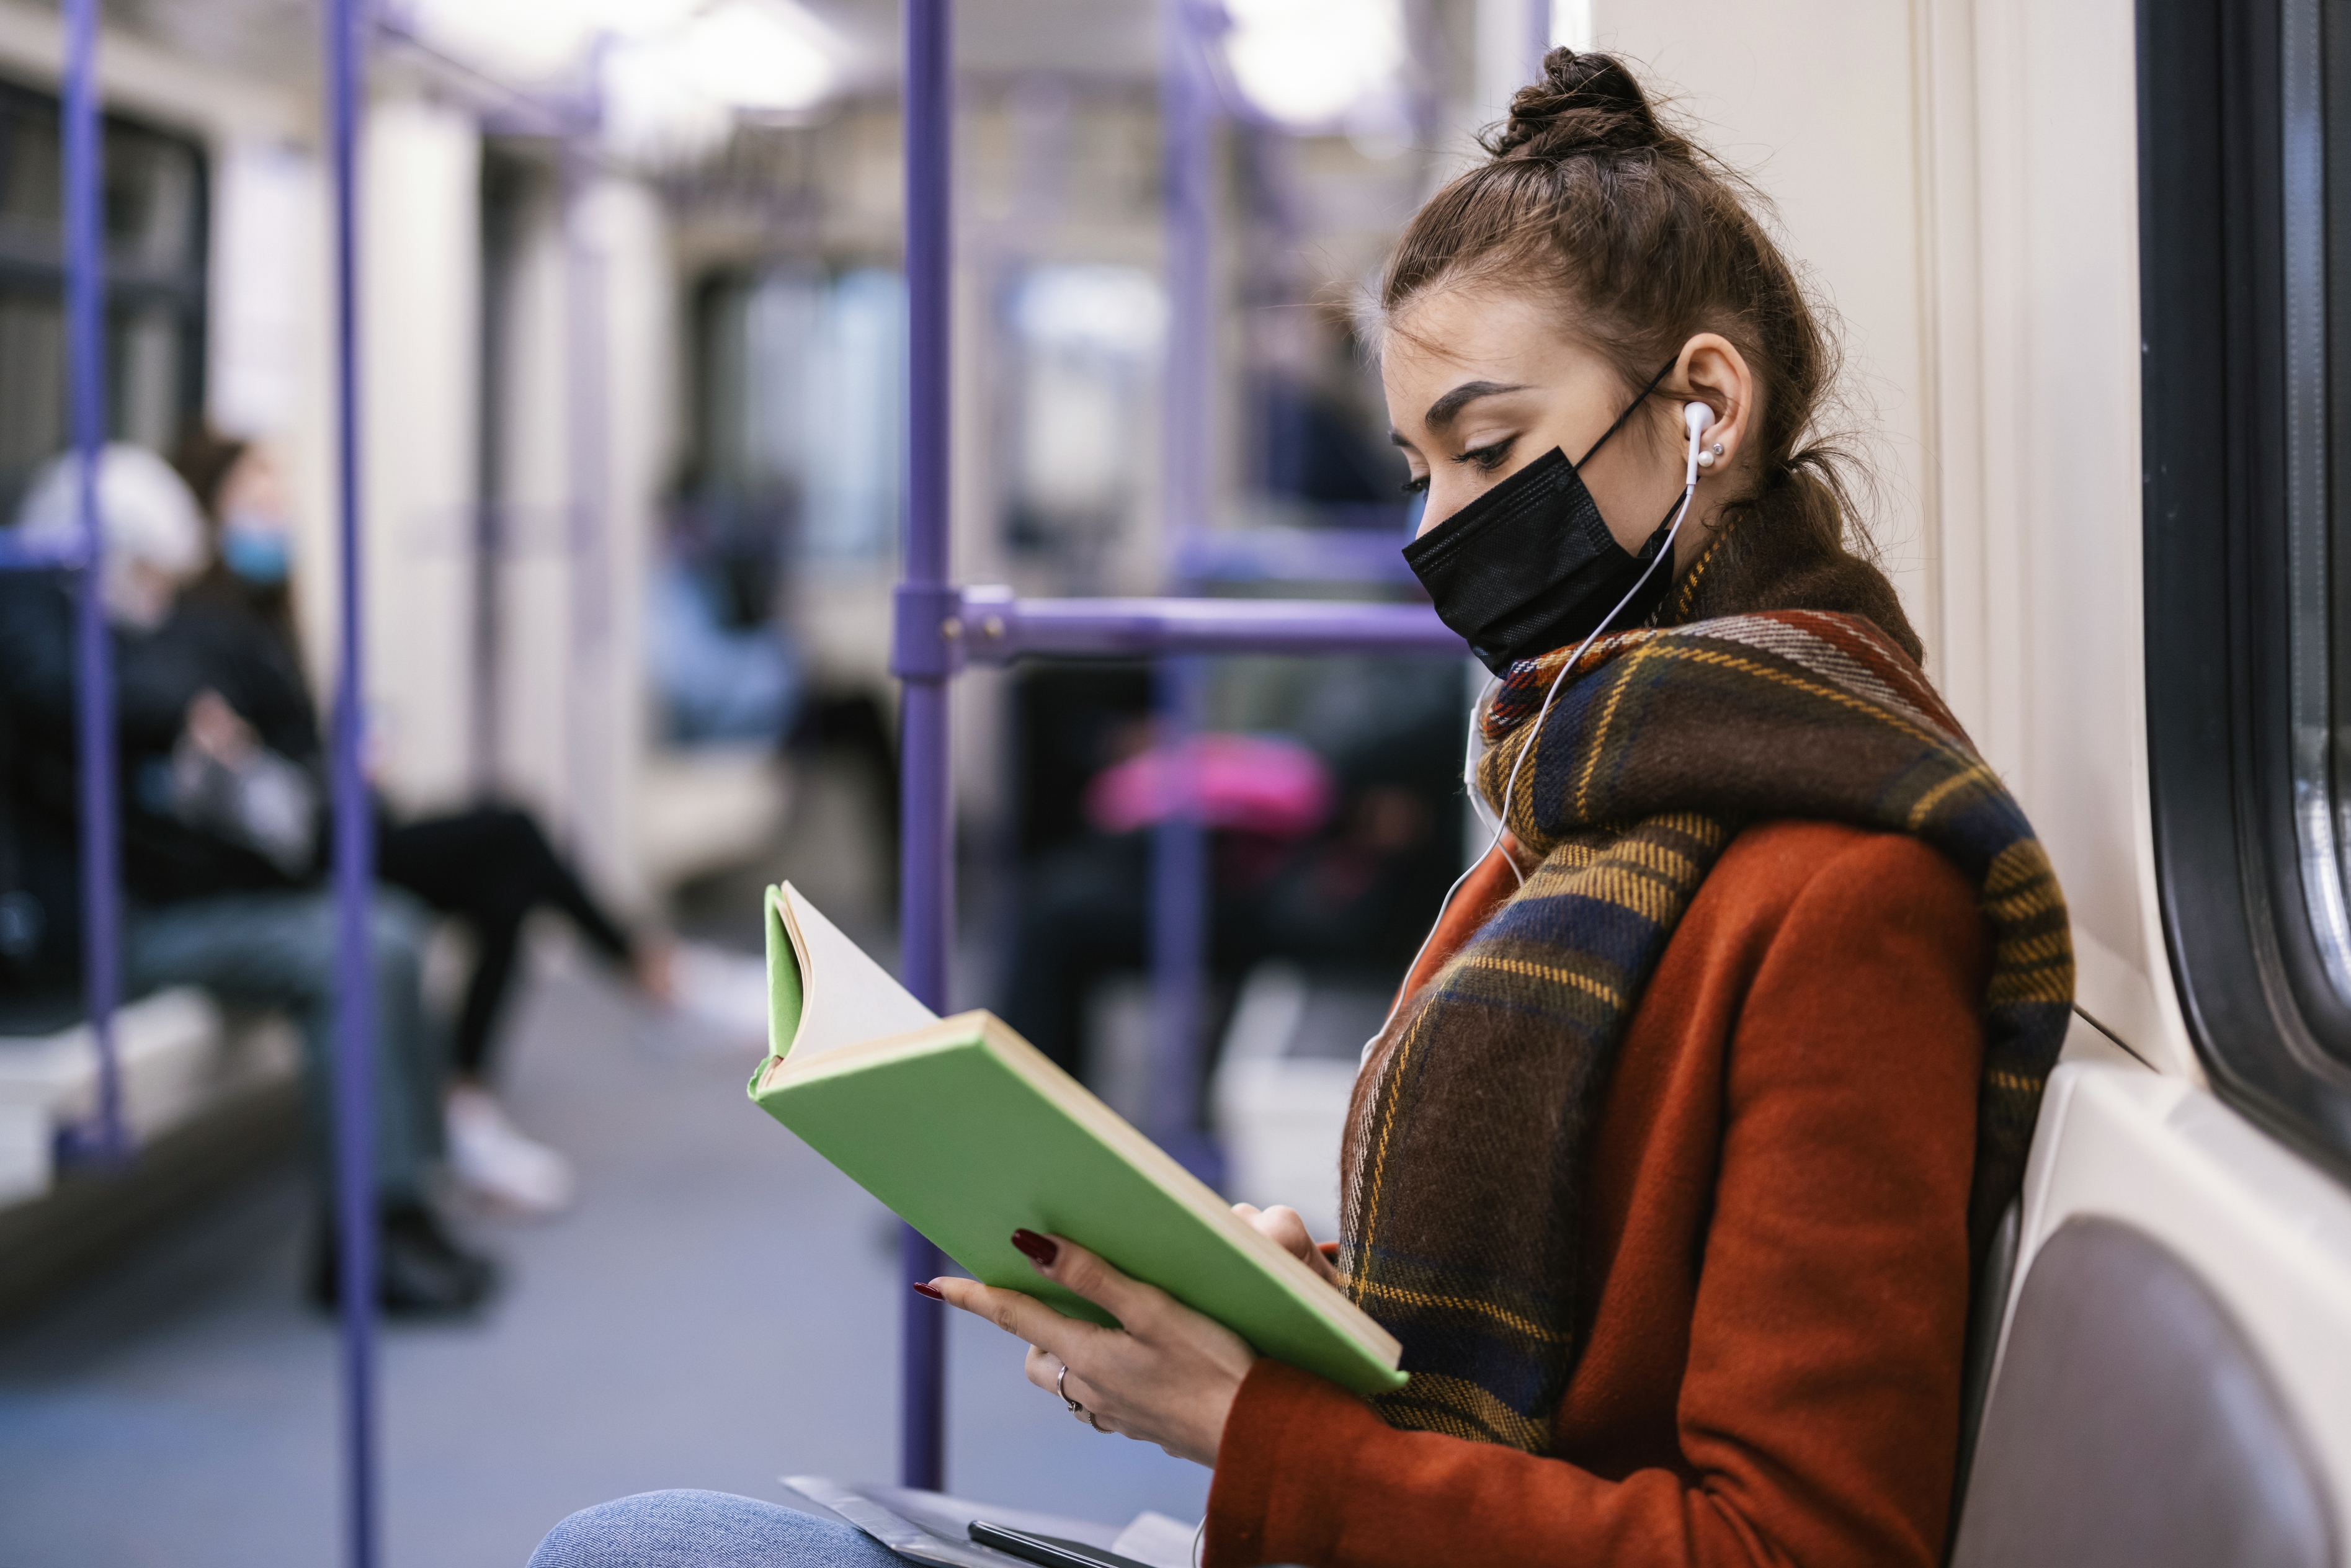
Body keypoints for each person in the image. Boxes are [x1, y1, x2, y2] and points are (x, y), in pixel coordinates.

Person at [529, 51, 2072, 1568]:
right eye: (1415, 467)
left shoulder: (1849, 899)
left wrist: (1258, 1424)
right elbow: (1560, 1336)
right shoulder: (1598, 799)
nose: (1436, 529)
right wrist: (1305, 1311)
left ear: (1702, 409)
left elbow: (1790, 1549)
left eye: (1485, 449)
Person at [0, 443, 496, 1315]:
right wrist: (185, 720)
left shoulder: (132, 644)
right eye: (148, 572)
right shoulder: (40, 630)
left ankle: (402, 1205)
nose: (159, 596)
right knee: (355, 949)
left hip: (170, 898)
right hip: (116, 926)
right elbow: (81, 698)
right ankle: (366, 1231)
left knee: (393, 926)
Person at [172, 429, 683, 1216]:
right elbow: (238, 785)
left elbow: (289, 756)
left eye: (279, 502)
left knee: (504, 884)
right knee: (510, 829)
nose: (274, 519)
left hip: (331, 826)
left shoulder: (266, 619)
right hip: (301, 856)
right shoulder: (201, 632)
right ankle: (642, 979)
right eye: (254, 502)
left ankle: (476, 1099)